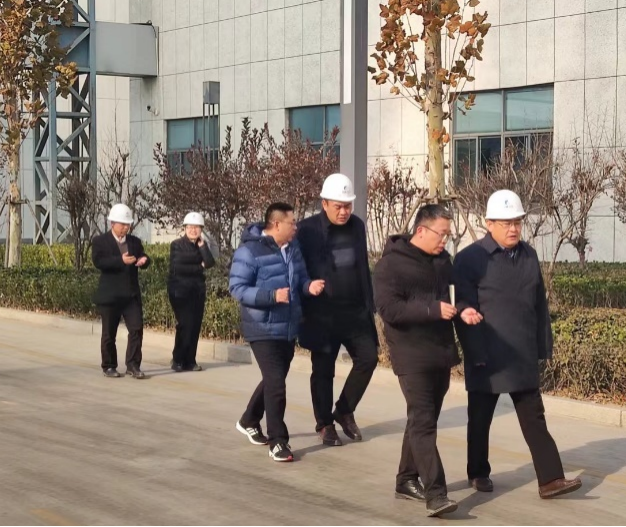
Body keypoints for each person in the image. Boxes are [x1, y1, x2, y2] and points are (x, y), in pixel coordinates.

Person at [453, 189, 582, 499]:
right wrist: (474, 351)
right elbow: (463, 309)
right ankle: (478, 472)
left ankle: (551, 480)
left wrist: (543, 347)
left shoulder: (529, 255)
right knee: (480, 419)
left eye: (517, 222)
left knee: (534, 418)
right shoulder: (469, 259)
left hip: (521, 353)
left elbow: (539, 305)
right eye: (506, 223)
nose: (513, 229)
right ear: (489, 224)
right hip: (486, 354)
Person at [374, 205, 481, 517]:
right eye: (441, 234)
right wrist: (432, 310)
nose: (445, 240)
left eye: (448, 234)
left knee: (423, 420)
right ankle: (436, 494)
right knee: (423, 423)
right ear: (421, 230)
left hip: (440, 352)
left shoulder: (442, 261)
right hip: (411, 355)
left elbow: (453, 296)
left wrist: (464, 309)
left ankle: (406, 479)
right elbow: (389, 310)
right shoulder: (390, 265)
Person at [230, 203, 325, 462]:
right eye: (292, 223)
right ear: (276, 224)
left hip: (287, 326)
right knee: (276, 383)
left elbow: (300, 279)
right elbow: (237, 288)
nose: (296, 227)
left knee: (274, 379)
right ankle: (278, 441)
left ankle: (249, 419)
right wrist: (271, 296)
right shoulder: (249, 251)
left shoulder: (293, 249)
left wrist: (309, 287)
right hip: (261, 327)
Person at [297, 173, 379, 447]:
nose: (344, 212)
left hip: (355, 311)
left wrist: (370, 303)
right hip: (322, 313)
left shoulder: (357, 226)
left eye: (348, 206)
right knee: (323, 370)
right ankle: (324, 423)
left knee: (368, 358)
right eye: (338, 206)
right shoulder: (307, 230)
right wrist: (305, 290)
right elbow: (297, 268)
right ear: (324, 204)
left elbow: (361, 266)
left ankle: (344, 410)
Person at [92, 204, 151, 379]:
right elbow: (99, 262)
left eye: (127, 224)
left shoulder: (134, 242)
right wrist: (121, 261)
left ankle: (133, 364)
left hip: (131, 295)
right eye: (122, 224)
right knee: (109, 333)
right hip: (111, 296)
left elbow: (143, 256)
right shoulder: (100, 241)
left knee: (136, 329)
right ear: (112, 223)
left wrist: (144, 260)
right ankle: (109, 365)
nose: (125, 228)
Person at [168, 212, 216, 372]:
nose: (193, 230)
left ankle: (190, 360)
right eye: (190, 227)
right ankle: (177, 359)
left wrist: (202, 247)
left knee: (195, 326)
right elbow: (178, 266)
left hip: (197, 291)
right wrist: (199, 266)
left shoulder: (202, 245)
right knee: (185, 324)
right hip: (180, 291)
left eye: (197, 227)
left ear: (201, 229)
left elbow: (210, 262)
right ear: (184, 228)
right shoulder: (176, 244)